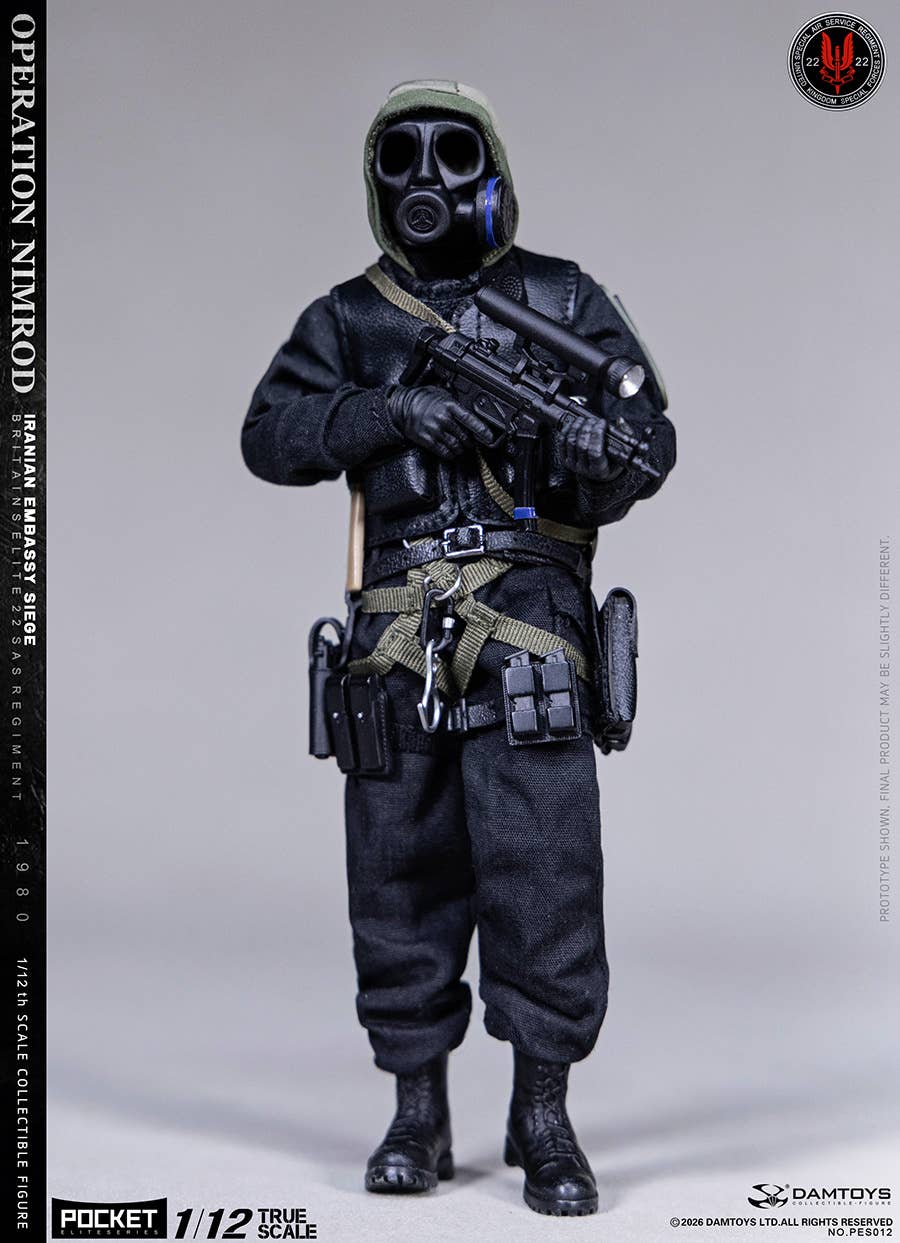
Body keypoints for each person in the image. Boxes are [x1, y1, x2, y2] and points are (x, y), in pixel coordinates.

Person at [242, 79, 676, 1217]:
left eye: (452, 153)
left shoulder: (560, 300)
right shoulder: (353, 318)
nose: (427, 180)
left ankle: (543, 1113)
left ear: (493, 172)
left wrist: (594, 455)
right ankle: (416, 1110)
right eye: (403, 157)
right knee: (397, 869)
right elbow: (270, 433)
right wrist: (389, 414)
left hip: (530, 618)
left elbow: (646, 438)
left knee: (546, 872)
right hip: (395, 631)